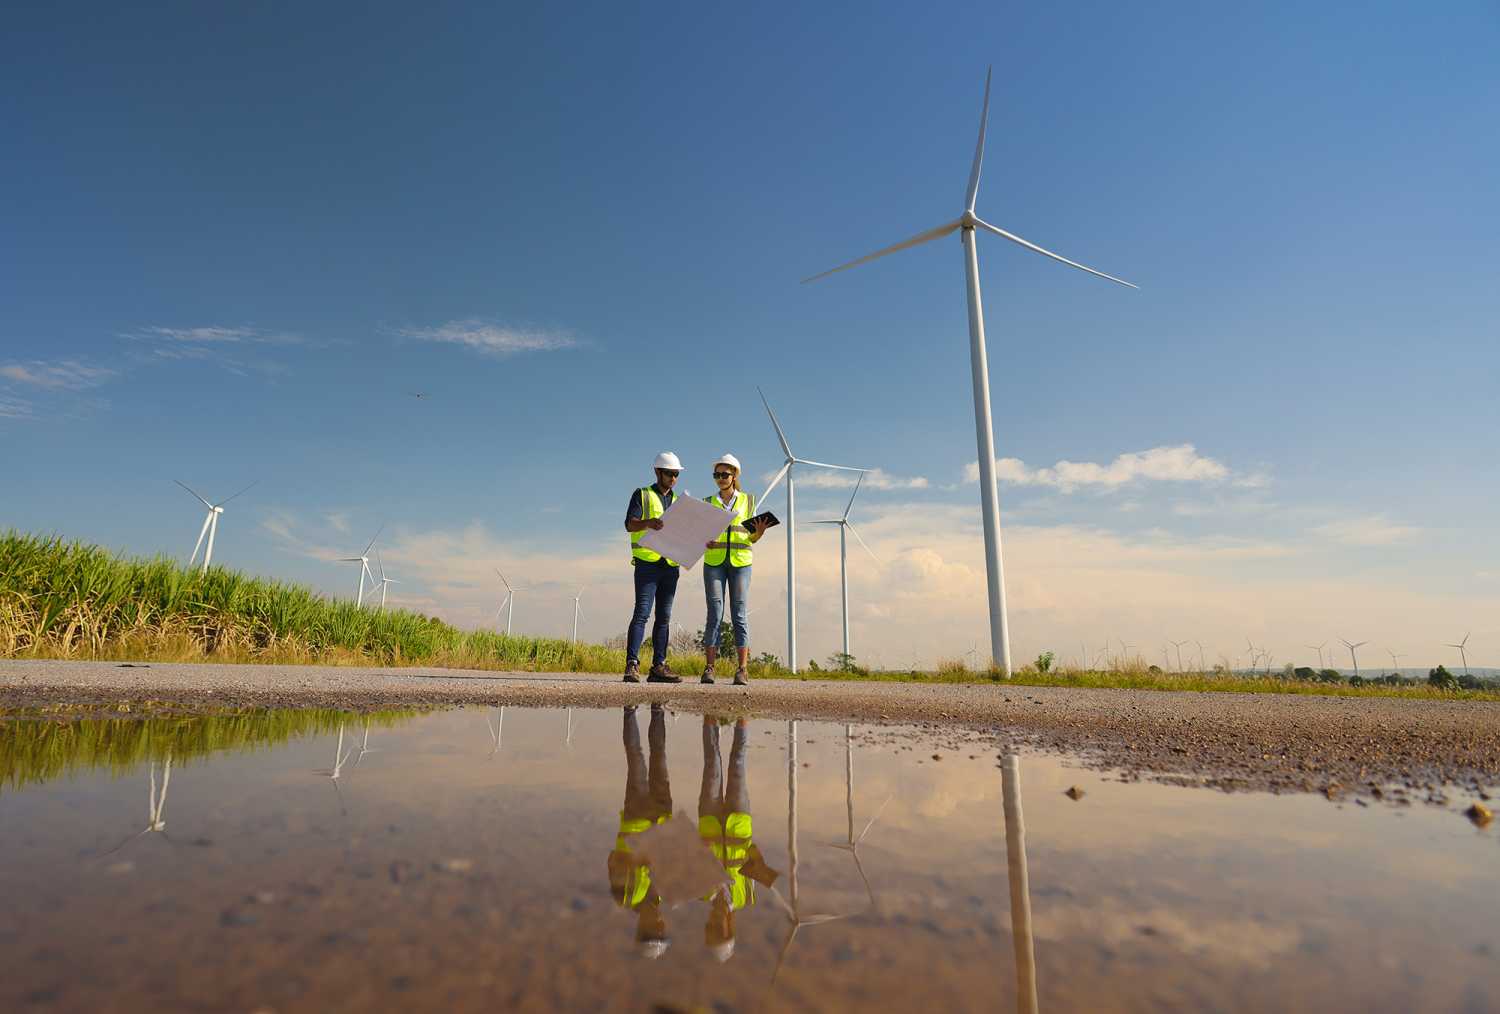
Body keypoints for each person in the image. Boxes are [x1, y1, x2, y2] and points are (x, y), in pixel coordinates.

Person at [697, 715, 778, 962]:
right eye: (720, 932)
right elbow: (755, 854)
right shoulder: (746, 897)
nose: (715, 926)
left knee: (712, 766)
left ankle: (710, 714)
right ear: (730, 928)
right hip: (739, 822)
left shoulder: (700, 892)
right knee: (738, 763)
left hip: (709, 819)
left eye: (711, 931)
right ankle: (743, 714)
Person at [606, 704, 675, 958]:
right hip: (661, 814)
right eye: (660, 929)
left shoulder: (622, 896)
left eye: (651, 930)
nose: (657, 924)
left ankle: (629, 710)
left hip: (636, 817)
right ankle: (658, 710)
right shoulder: (667, 894)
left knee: (635, 757)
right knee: (660, 755)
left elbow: (612, 860)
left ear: (640, 928)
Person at [699, 454, 765, 686]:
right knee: (714, 613)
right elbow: (700, 533)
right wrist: (702, 540)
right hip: (714, 562)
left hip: (741, 562)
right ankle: (709, 668)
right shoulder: (707, 502)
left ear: (734, 476)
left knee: (739, 614)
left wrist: (760, 532)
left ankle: (742, 669)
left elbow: (753, 537)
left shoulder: (748, 501)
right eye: (716, 475)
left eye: (724, 474)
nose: (719, 478)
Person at [623, 452, 685, 683]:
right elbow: (630, 524)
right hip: (647, 564)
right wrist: (648, 523)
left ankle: (659, 666)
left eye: (676, 474)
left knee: (664, 617)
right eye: (669, 473)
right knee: (642, 613)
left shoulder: (680, 502)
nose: (673, 478)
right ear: (657, 472)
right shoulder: (642, 494)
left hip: (670, 565)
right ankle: (632, 664)